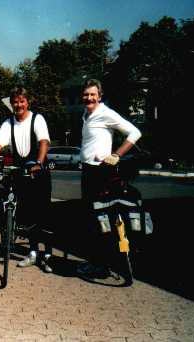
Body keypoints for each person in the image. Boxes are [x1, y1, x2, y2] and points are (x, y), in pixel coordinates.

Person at [0, 87, 53, 273]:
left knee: (43, 214)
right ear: (12, 104)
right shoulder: (9, 123)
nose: (19, 105)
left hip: (38, 170)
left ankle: (47, 255)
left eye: (22, 101)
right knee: (28, 213)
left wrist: (38, 162)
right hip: (20, 170)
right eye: (15, 101)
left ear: (27, 102)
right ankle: (32, 252)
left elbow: (44, 142)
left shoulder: (37, 119)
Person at [77, 78, 142, 276]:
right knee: (93, 218)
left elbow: (135, 132)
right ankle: (102, 261)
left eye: (93, 95)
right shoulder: (86, 115)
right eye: (86, 94)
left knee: (100, 217)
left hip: (101, 171)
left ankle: (102, 265)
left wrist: (116, 155)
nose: (89, 98)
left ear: (100, 96)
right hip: (88, 170)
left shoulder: (105, 113)